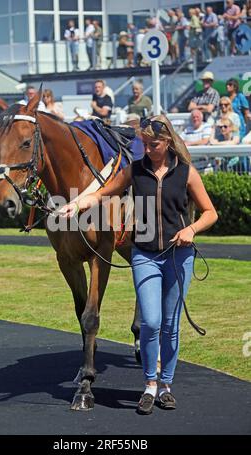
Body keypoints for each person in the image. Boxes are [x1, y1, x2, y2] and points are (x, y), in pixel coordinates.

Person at [59, 115, 218, 414]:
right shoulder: (135, 170)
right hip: (145, 255)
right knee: (151, 323)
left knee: (170, 326)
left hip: (177, 256)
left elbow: (210, 212)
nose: (146, 149)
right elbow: (102, 193)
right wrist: (76, 203)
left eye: (153, 144)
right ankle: (149, 385)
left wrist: (191, 230)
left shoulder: (186, 173)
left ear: (168, 142)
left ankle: (166, 384)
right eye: (143, 144)